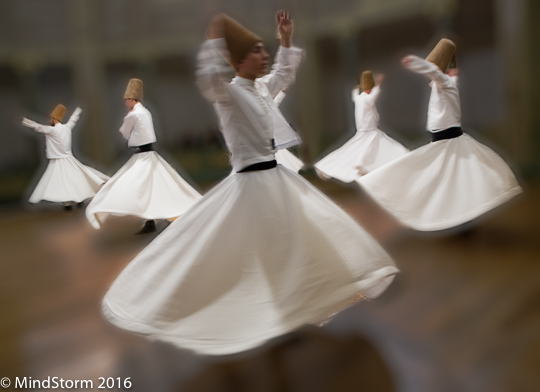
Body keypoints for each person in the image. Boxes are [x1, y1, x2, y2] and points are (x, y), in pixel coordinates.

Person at [101, 12, 398, 356]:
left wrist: (285, 38)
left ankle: (293, 306)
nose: (265, 53)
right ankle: (265, 312)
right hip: (249, 184)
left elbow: (284, 73)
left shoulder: (259, 87)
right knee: (256, 251)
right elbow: (209, 76)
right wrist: (215, 40)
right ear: (241, 61)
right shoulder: (228, 93)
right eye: (258, 50)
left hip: (275, 178)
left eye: (263, 49)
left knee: (296, 242)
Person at [357, 39, 522, 231]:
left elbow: (437, 73)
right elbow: (444, 74)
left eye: (432, 70)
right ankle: (456, 215)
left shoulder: (445, 83)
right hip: (440, 142)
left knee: (448, 178)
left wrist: (414, 62)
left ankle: (461, 216)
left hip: (450, 142)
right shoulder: (445, 82)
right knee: (441, 179)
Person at [85, 79, 202, 234]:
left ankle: (151, 216)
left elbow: (125, 133)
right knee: (158, 184)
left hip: (141, 156)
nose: (126, 103)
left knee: (129, 184)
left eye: (127, 100)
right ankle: (153, 218)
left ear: (132, 100)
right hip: (151, 154)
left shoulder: (132, 115)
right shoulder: (146, 112)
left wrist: (127, 129)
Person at [315, 71, 408, 182]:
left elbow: (354, 94)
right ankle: (365, 167)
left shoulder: (358, 98)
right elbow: (374, 95)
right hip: (369, 131)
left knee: (357, 150)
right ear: (371, 89)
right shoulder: (367, 99)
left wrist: (356, 87)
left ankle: (359, 168)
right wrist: (379, 83)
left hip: (364, 130)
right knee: (379, 148)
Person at [21, 105, 109, 209]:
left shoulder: (52, 130)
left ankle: (68, 203)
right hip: (69, 159)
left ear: (54, 119)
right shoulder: (67, 127)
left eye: (50, 119)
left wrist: (24, 121)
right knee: (75, 179)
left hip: (57, 161)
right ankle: (77, 199)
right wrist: (78, 110)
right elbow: (73, 119)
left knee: (60, 182)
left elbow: (38, 127)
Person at [273, 87, 305, 173]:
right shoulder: (280, 97)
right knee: (289, 152)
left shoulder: (293, 96)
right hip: (286, 128)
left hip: (293, 126)